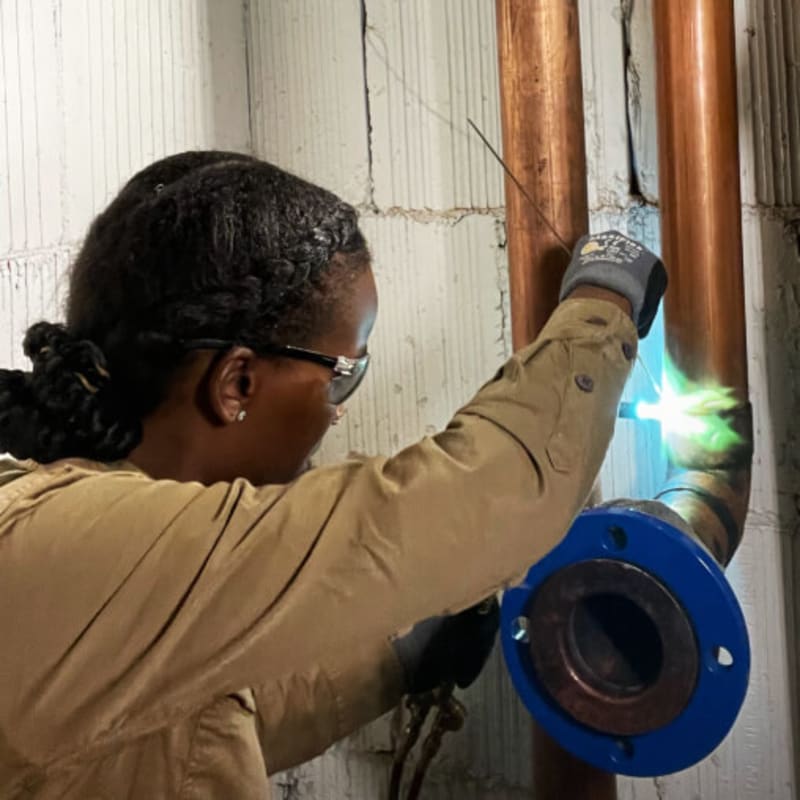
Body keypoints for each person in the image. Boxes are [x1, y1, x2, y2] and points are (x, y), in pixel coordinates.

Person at [0, 151, 665, 798]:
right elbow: (495, 491)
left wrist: (392, 658)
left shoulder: (104, 557)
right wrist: (602, 303)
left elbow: (186, 729)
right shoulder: (70, 556)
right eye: (345, 375)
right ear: (238, 381)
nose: (341, 415)